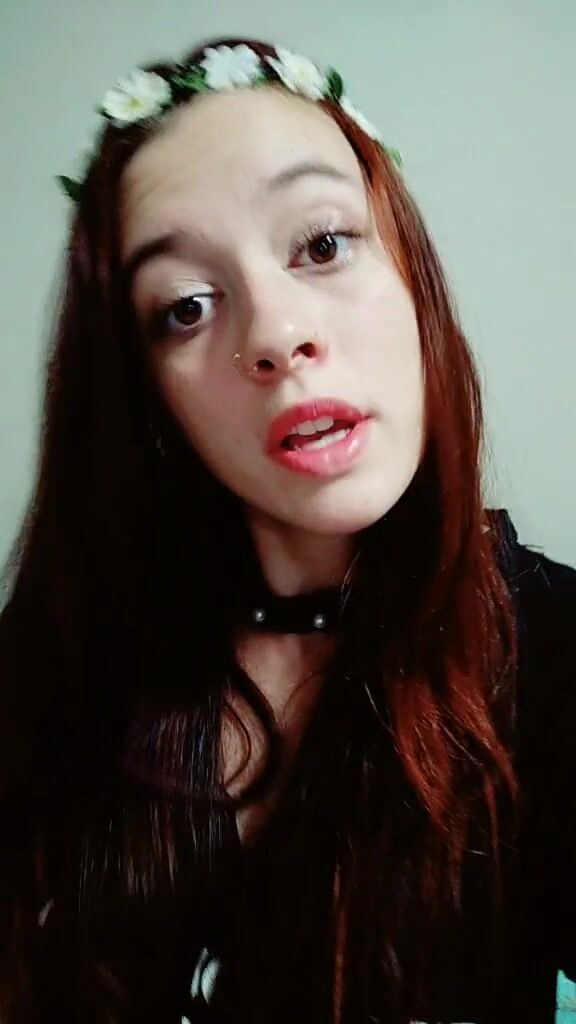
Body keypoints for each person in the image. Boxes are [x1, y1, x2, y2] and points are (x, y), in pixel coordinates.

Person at [0, 33, 574, 1024]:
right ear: (147, 397)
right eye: (186, 306)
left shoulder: (557, 653)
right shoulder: (53, 659)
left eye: (323, 244)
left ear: (412, 275)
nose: (274, 334)